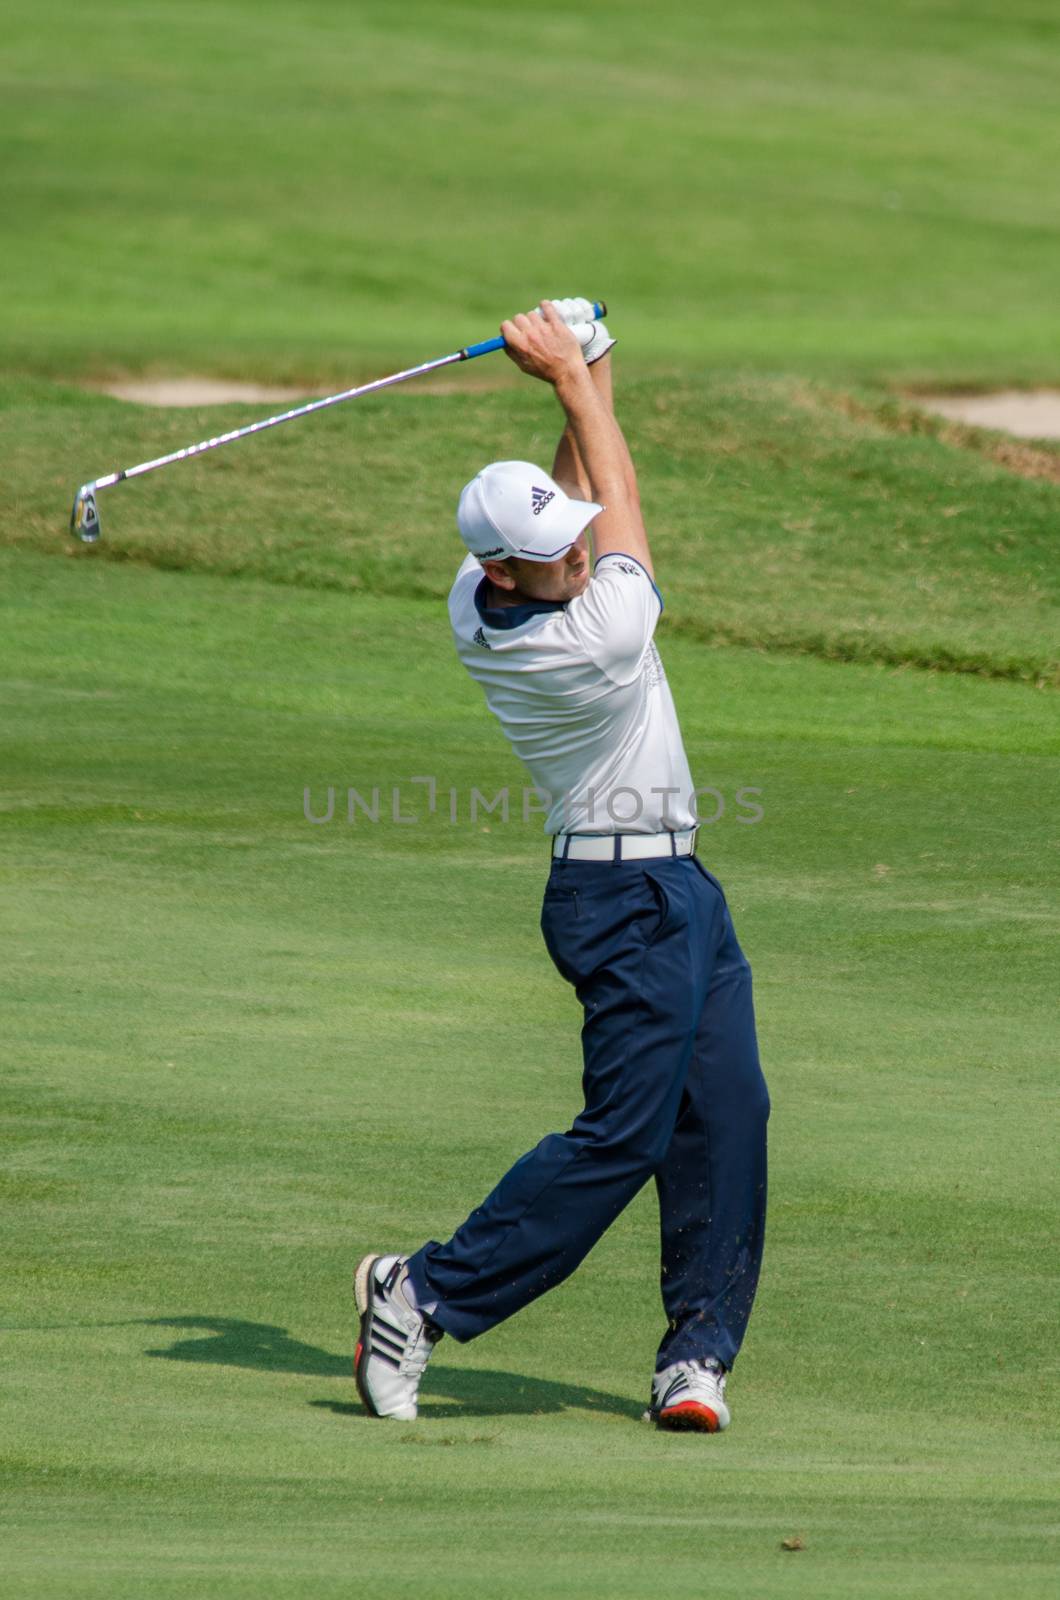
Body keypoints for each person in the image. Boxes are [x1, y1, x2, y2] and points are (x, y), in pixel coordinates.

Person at [354, 299, 770, 1432]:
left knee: (728, 1112)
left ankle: (695, 1358)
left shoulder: (490, 588)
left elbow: (580, 496)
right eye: (555, 552)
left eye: (571, 535)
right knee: (622, 1137)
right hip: (618, 899)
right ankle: (423, 1290)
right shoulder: (592, 636)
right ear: (500, 568)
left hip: (678, 889)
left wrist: (583, 365)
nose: (579, 551)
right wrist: (575, 377)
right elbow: (625, 506)